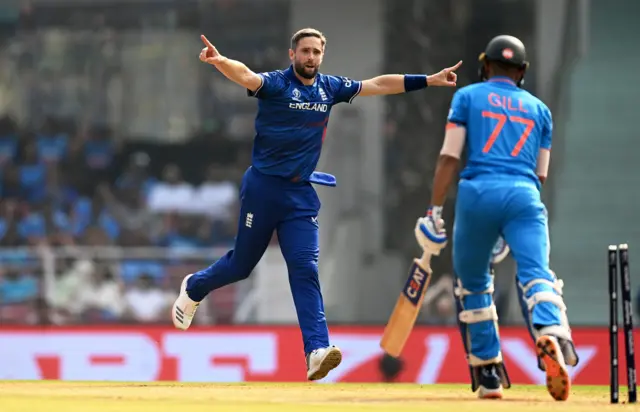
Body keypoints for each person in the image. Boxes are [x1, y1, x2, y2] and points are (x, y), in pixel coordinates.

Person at [172, 28, 462, 381]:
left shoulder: (331, 87)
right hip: (263, 189)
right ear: (292, 54)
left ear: (322, 55)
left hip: (299, 195)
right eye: (304, 51)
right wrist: (219, 63)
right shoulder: (277, 84)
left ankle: (316, 350)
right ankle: (195, 287)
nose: (310, 57)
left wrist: (428, 81)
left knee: (305, 267)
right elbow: (245, 75)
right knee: (242, 266)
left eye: (316, 52)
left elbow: (378, 85)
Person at [414, 35, 579, 401]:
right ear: (522, 72)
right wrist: (510, 222)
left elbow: (450, 157)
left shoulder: (467, 97)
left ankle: (488, 372)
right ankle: (551, 330)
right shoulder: (540, 109)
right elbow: (541, 174)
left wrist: (434, 210)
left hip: (478, 193)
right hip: (524, 195)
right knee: (536, 273)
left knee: (473, 283)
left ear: (485, 65)